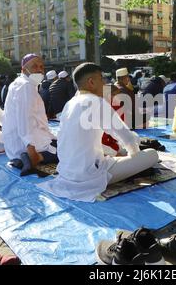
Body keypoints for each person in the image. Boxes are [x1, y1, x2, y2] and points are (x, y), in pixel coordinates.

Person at [38, 62, 159, 202]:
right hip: (89, 176)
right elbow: (127, 139)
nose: (105, 83)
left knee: (115, 151)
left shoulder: (70, 103)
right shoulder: (96, 102)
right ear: (91, 82)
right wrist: (134, 155)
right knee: (151, 154)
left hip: (66, 172)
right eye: (102, 79)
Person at [2, 54, 58, 174]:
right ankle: (35, 158)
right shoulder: (25, 86)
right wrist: (31, 149)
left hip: (17, 144)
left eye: (41, 67)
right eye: (34, 66)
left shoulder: (22, 83)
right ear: (23, 70)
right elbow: (24, 119)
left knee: (61, 142)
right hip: (26, 145)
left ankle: (26, 159)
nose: (39, 69)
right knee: (69, 150)